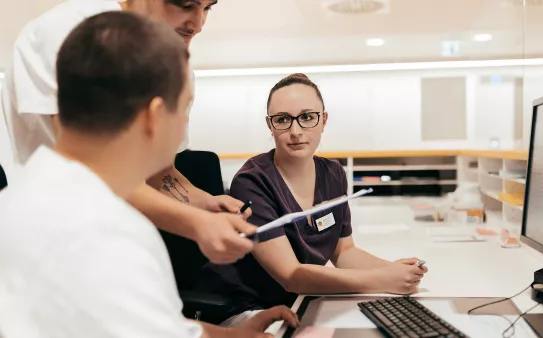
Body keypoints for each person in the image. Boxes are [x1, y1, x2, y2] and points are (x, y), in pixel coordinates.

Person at [0, 12, 298, 338]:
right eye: (184, 108)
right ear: (154, 116)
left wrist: (233, 335)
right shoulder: (111, 236)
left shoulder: (23, 198)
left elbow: (138, 323)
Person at [0, 0, 254, 265]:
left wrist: (206, 204)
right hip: (55, 239)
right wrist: (195, 223)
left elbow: (159, 172)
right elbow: (88, 165)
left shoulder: (174, 65)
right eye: (186, 4)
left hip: (119, 241)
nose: (199, 25)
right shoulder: (68, 32)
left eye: (207, 8)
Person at [197, 73, 429, 325]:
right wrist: (383, 279)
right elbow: (291, 275)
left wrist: (397, 272)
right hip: (248, 309)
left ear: (323, 120)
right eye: (283, 120)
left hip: (302, 301)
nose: (295, 131)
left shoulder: (334, 175)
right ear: (270, 125)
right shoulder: (252, 182)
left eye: (307, 117)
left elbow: (344, 252)